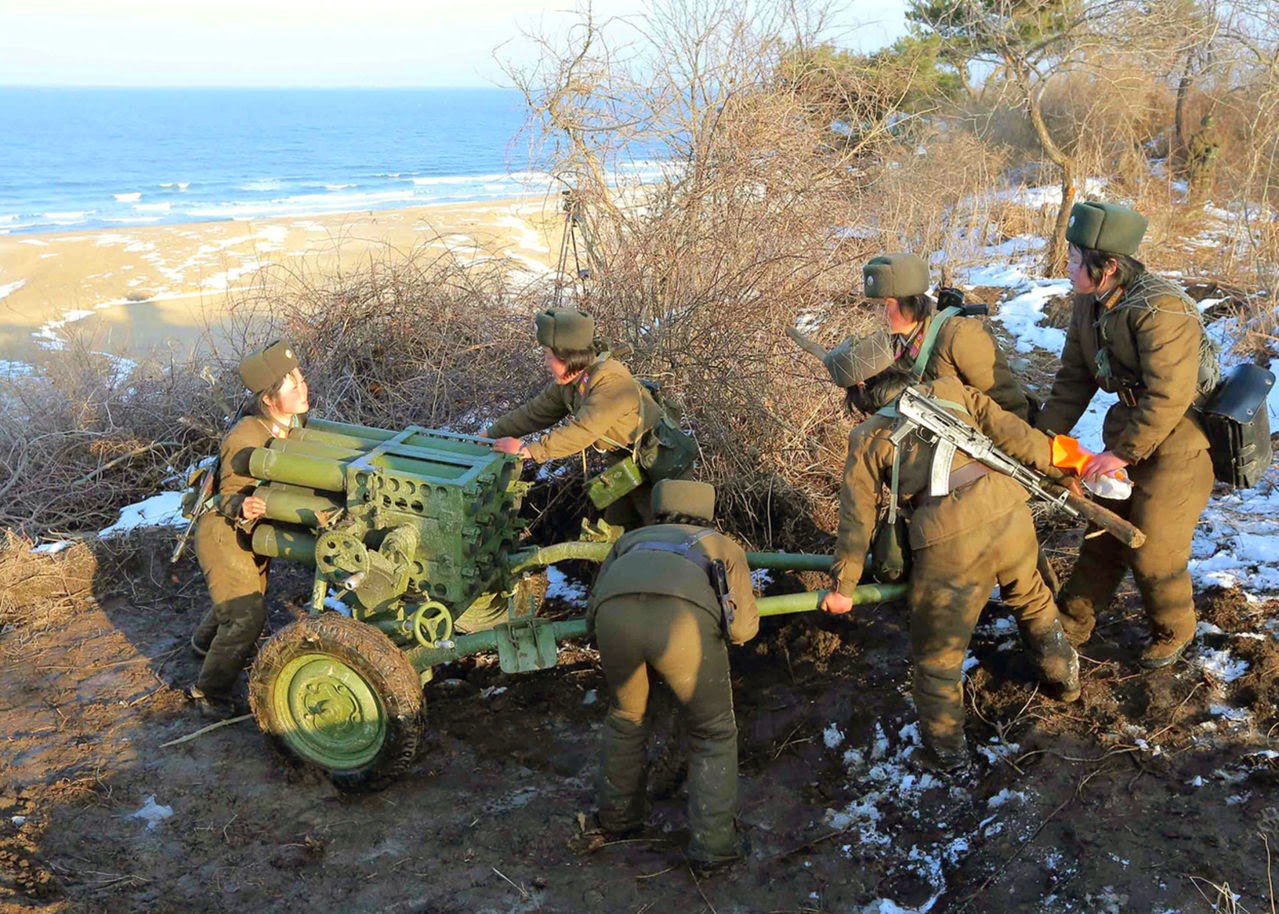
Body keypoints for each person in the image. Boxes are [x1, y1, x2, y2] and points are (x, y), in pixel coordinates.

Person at [821, 364, 1080, 771]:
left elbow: (857, 518)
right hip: (1008, 510)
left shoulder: (868, 435)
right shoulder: (951, 389)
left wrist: (843, 587)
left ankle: (948, 756)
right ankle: (1064, 682)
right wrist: (1066, 472)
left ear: (860, 392)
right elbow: (1019, 437)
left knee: (938, 657)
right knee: (1031, 596)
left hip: (949, 539)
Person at [1035, 201, 1214, 668]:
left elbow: (1170, 396)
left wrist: (1120, 454)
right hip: (1128, 429)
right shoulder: (1088, 303)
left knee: (1155, 548)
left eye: (1076, 259)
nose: (1068, 267)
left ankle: (1175, 628)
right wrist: (1037, 439)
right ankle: (1072, 621)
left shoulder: (1163, 309)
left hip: (1180, 441)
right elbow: (1073, 378)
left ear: (1109, 266)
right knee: (1103, 534)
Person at [587, 480, 759, 871]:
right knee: (713, 731)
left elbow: (591, 612)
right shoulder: (723, 546)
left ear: (659, 508)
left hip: (614, 619)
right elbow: (743, 630)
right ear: (707, 511)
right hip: (683, 628)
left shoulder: (630, 541)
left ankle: (617, 820)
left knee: (626, 717)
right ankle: (714, 847)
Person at [186, 341, 310, 718]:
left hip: (251, 531)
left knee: (245, 597)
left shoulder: (294, 422)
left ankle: (204, 643)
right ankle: (209, 692)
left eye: (301, 380)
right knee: (247, 616)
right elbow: (226, 496)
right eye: (292, 387)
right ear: (270, 400)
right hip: (223, 531)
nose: (303, 390)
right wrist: (245, 504)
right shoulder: (245, 437)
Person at [484, 308, 668, 529]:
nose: (544, 362)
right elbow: (533, 414)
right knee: (615, 532)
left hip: (659, 467)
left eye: (547, 355)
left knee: (658, 535)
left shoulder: (610, 380)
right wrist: (488, 435)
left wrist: (528, 451)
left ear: (567, 356)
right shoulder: (571, 381)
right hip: (627, 467)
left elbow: (582, 431)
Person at [791, 252, 1031, 419]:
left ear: (912, 302)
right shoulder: (893, 340)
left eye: (886, 304)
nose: (878, 313)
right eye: (875, 305)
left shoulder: (960, 335)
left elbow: (1008, 403)